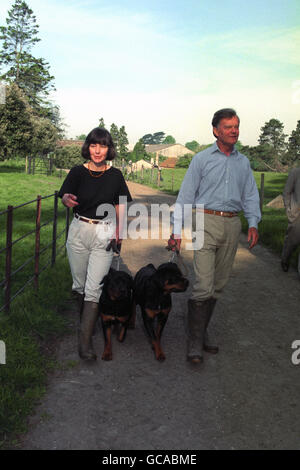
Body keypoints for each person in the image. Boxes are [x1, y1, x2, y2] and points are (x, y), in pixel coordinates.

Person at [167, 108, 261, 364]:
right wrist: (176, 231)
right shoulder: (201, 159)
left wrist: (252, 223)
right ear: (216, 131)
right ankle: (195, 342)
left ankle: (201, 328)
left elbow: (251, 195)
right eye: (229, 127)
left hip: (232, 224)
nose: (234, 131)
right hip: (204, 220)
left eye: (237, 126)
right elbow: (186, 196)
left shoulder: (243, 162)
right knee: (203, 285)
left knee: (218, 286)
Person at [58, 127, 132, 361]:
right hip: (79, 230)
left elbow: (121, 205)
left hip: (104, 232)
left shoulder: (116, 176)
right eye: (93, 145)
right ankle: (85, 327)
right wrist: (66, 199)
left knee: (94, 288)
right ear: (87, 147)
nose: (97, 150)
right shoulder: (77, 172)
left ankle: (85, 343)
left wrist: (120, 231)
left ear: (109, 149)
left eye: (102, 146)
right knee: (79, 285)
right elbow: (65, 196)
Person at [281, 167, 300, 274]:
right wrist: (289, 210)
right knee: (292, 242)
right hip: (297, 214)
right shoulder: (295, 172)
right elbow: (287, 192)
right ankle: (285, 260)